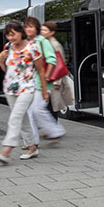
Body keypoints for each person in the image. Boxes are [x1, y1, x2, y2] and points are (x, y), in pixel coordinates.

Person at [0, 20, 48, 164]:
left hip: (27, 88)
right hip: (10, 88)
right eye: (8, 35)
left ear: (21, 33)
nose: (11, 38)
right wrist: (0, 61)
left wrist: (44, 90)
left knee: (15, 117)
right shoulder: (8, 48)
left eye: (13, 34)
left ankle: (6, 151)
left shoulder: (32, 48)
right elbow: (7, 70)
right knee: (22, 120)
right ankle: (32, 147)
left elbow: (41, 70)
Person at [23, 17, 62, 148]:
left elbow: (51, 60)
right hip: (29, 83)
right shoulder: (26, 43)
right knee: (30, 112)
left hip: (42, 83)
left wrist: (46, 76)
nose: (28, 29)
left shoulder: (42, 41)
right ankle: (33, 142)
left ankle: (56, 131)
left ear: (36, 29)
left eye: (31, 27)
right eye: (26, 26)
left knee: (37, 109)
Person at [41, 21, 71, 129]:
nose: (42, 32)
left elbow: (60, 64)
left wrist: (56, 82)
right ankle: (51, 129)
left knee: (52, 106)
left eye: (45, 30)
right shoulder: (45, 43)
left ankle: (53, 130)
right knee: (47, 104)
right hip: (48, 79)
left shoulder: (55, 45)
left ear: (52, 32)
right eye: (41, 30)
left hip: (54, 80)